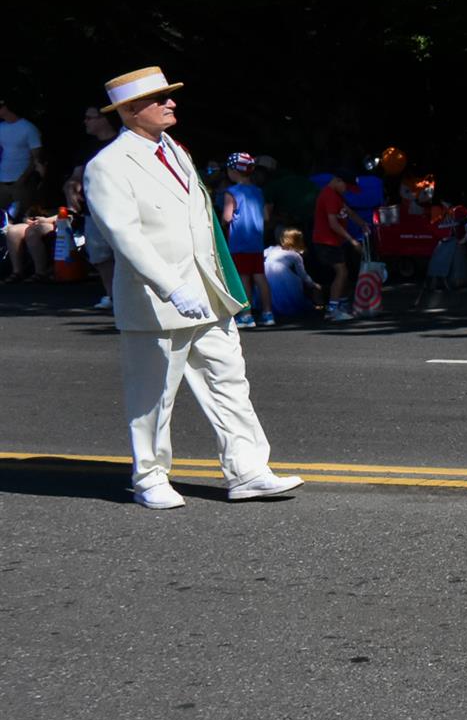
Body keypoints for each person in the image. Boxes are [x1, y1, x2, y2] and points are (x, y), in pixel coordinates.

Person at [81, 67, 302, 510]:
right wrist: (171, 287)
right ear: (130, 110)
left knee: (229, 382)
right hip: (156, 300)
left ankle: (247, 470)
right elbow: (125, 236)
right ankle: (149, 477)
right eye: (160, 98)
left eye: (169, 96)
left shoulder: (176, 151)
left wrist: (213, 282)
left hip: (207, 292)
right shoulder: (108, 165)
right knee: (153, 395)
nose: (171, 103)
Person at [67, 104, 121, 309]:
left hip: (122, 208)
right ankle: (112, 296)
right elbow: (76, 176)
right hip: (94, 209)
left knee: (126, 254)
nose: (85, 122)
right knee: (99, 255)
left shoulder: (123, 142)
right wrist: (71, 187)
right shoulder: (87, 148)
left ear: (104, 119)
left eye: (90, 117)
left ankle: (133, 297)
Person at [220, 153, 275, 327]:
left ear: (233, 171)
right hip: (256, 242)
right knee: (260, 277)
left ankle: (246, 315)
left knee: (244, 278)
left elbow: (227, 217)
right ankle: (268, 313)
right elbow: (266, 217)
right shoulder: (258, 191)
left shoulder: (232, 192)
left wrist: (222, 223)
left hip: (239, 242)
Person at [310, 170, 366, 321]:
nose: (347, 190)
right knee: (342, 272)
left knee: (343, 272)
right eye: (346, 186)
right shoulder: (329, 195)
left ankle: (341, 304)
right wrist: (352, 241)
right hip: (326, 241)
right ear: (338, 181)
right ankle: (333, 309)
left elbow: (349, 212)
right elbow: (333, 224)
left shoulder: (336, 195)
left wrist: (362, 224)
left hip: (334, 242)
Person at [3, 168, 59, 282]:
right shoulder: (36, 182)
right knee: (13, 232)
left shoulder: (62, 183)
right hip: (38, 220)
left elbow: (70, 211)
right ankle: (17, 272)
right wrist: (27, 218)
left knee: (32, 232)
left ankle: (41, 272)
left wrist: (47, 220)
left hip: (58, 221)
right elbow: (31, 208)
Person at [264, 227, 320, 317]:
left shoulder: (272, 249)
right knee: (296, 281)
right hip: (282, 276)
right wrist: (313, 284)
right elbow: (303, 274)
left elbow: (263, 254)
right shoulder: (295, 255)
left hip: (266, 275)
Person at [0, 97, 44, 208]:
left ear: (6, 108)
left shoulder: (28, 128)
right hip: (2, 181)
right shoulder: (1, 127)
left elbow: (36, 158)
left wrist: (23, 179)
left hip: (21, 183)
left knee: (22, 215)